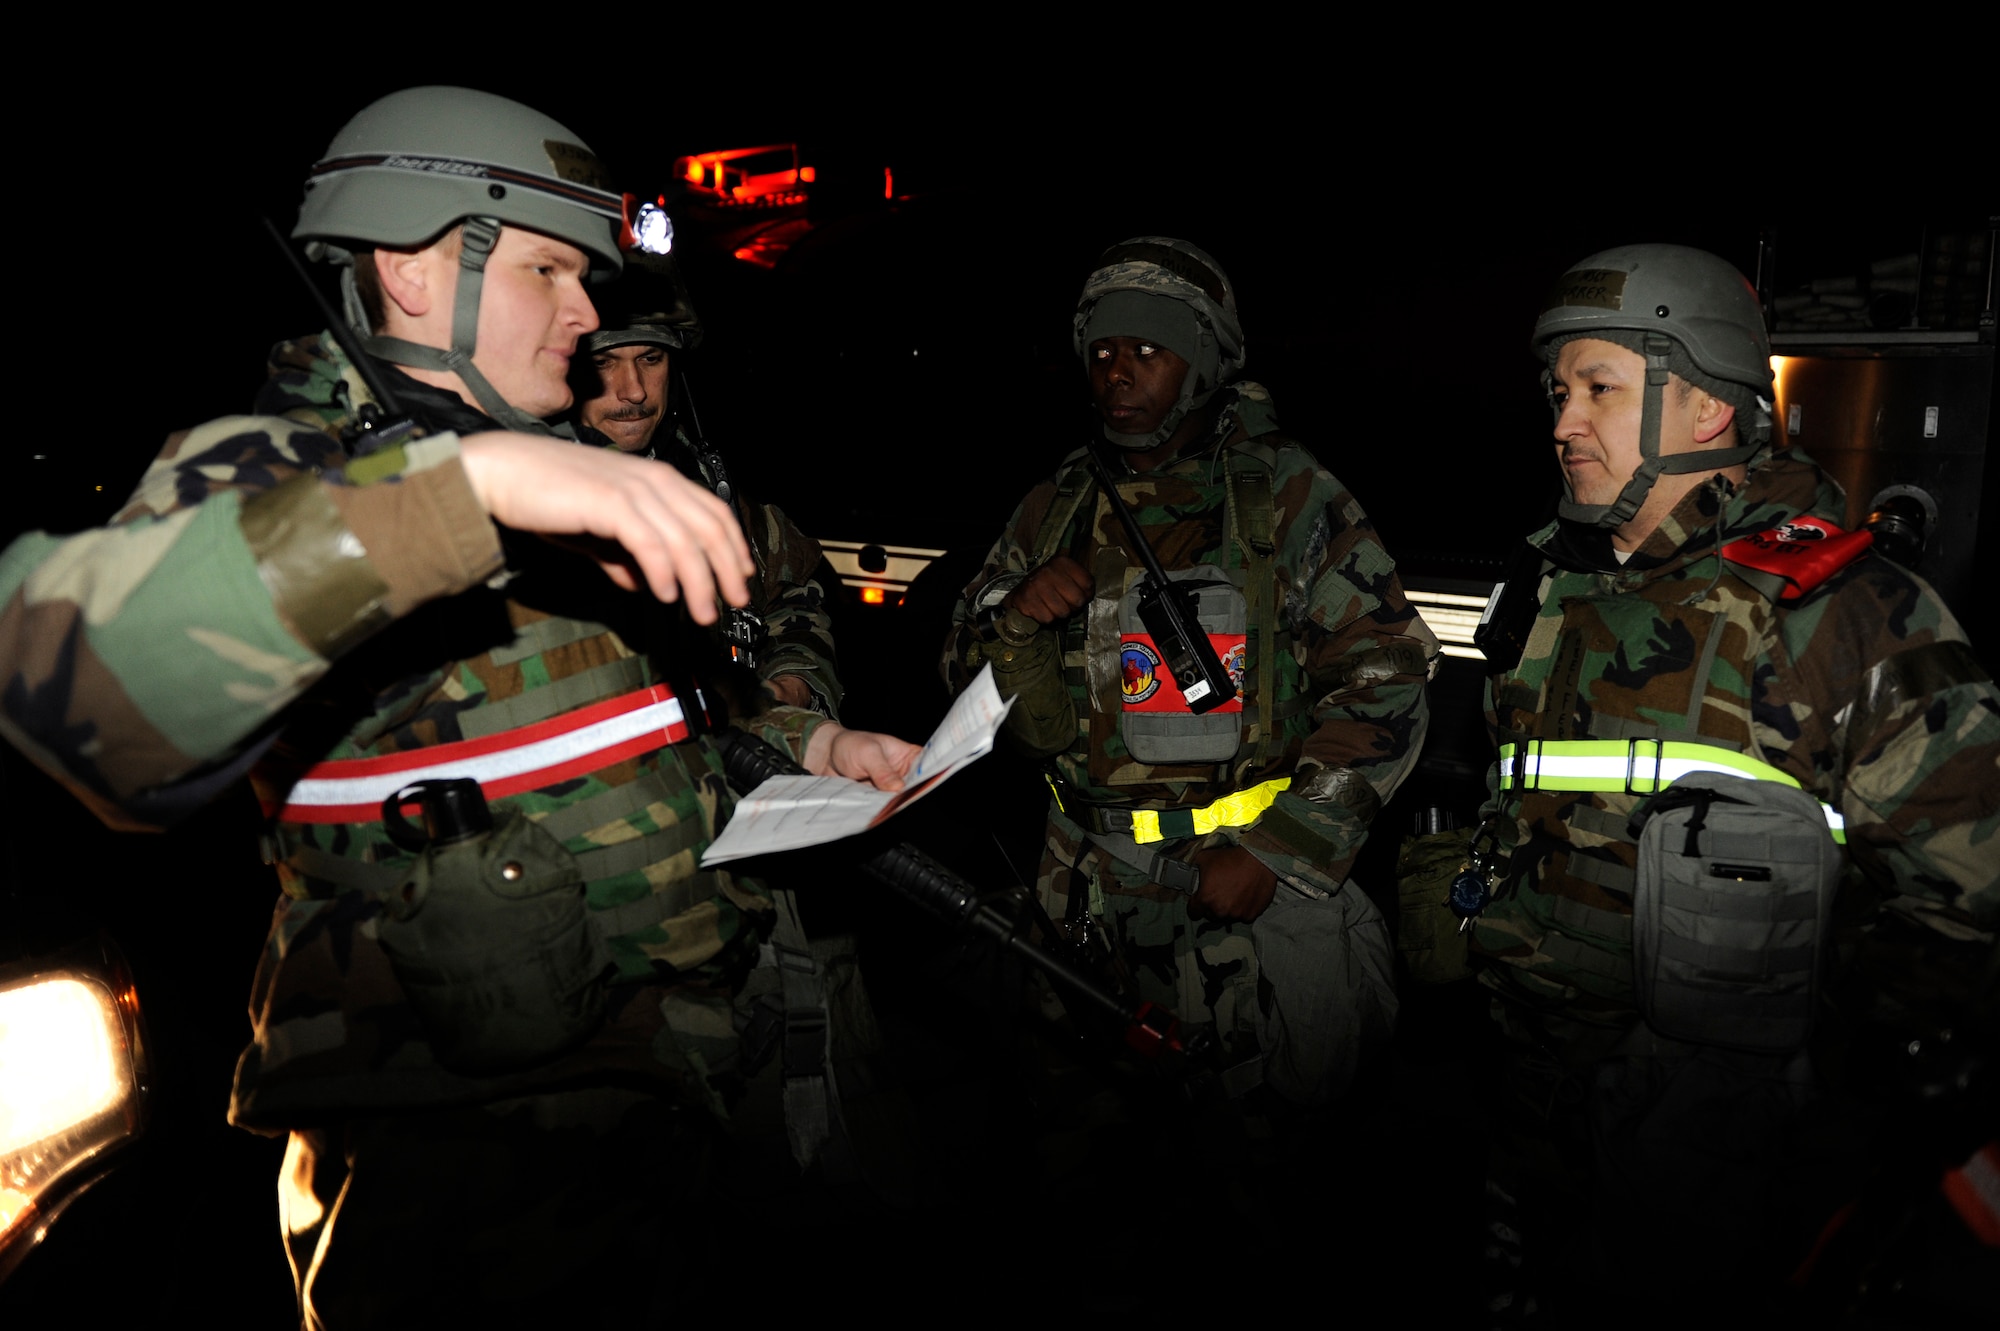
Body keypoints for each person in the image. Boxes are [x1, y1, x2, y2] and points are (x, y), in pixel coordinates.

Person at [1, 86, 918, 1326]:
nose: (590, 318)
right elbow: (77, 692)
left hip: (683, 1113)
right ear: (413, 270)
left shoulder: (560, 490)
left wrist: (802, 745)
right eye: (553, 271)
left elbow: (617, 749)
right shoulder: (295, 468)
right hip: (475, 1190)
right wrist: (461, 486)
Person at [1464, 243, 1999, 1315]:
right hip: (1525, 1100)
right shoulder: (1551, 586)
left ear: (1705, 407)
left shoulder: (1846, 614)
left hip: (1717, 1145)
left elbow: (1968, 901)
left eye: (1600, 388)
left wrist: (1802, 1073)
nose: (1563, 419)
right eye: (1558, 391)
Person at [942, 237, 1435, 1107]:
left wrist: (1276, 852)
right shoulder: (1055, 504)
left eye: (1146, 351)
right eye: (1101, 354)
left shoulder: (1287, 495)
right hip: (1077, 894)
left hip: (1227, 898)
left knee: (1245, 1163)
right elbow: (959, 676)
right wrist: (1007, 613)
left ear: (1202, 360)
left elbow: (1386, 681)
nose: (1117, 374)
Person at [569, 247, 841, 717]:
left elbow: (794, 590)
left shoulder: (702, 481)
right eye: (603, 363)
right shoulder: (533, 509)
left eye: (650, 358)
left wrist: (795, 682)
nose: (633, 389)